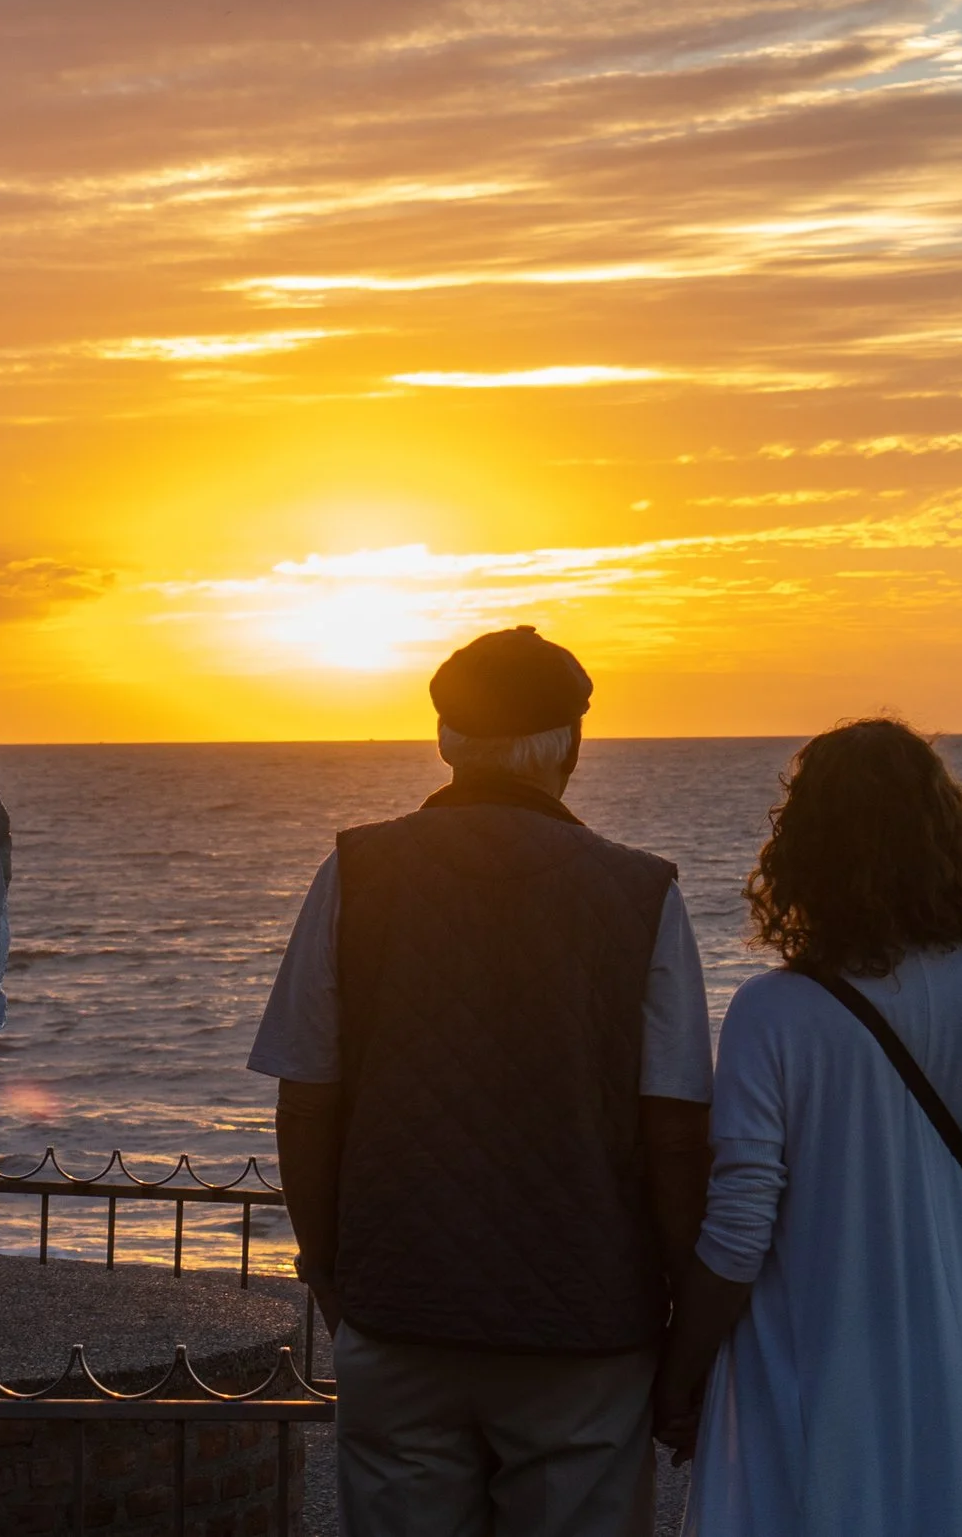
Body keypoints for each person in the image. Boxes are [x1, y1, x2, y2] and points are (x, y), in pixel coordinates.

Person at [249, 626, 715, 1537]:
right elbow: (674, 1128)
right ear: (571, 748)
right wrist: (679, 1311)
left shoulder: (356, 870)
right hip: (586, 1325)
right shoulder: (642, 894)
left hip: (403, 1310)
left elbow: (305, 1101)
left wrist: (331, 1272)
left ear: (444, 740)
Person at [656, 718, 962, 1536]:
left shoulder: (772, 1014)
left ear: (804, 851)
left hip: (813, 1382)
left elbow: (740, 1230)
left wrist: (680, 1381)